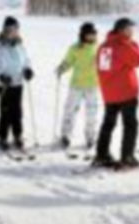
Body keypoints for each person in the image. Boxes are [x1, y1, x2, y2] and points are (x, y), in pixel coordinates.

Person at [93, 18, 139, 169]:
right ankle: (127, 156)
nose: (132, 32)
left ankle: (101, 154)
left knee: (108, 124)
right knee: (130, 124)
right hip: (126, 92)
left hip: (110, 93)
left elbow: (103, 69)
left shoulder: (104, 46)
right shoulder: (124, 45)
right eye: (129, 29)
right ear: (121, 30)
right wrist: (132, 44)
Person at [0, 16, 34, 151]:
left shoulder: (19, 44)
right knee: (6, 111)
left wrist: (28, 69)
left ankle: (17, 135)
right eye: (10, 29)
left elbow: (26, 60)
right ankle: (2, 136)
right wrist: (1, 76)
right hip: (4, 84)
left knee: (17, 111)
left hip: (17, 83)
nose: (13, 32)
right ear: (5, 30)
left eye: (16, 29)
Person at [57, 22, 100, 150]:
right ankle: (66, 135)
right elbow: (68, 61)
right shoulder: (75, 48)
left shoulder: (98, 48)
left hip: (92, 85)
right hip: (76, 85)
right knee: (70, 110)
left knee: (91, 113)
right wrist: (61, 68)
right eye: (89, 34)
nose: (92, 36)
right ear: (83, 35)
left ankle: (90, 136)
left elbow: (104, 64)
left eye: (94, 34)